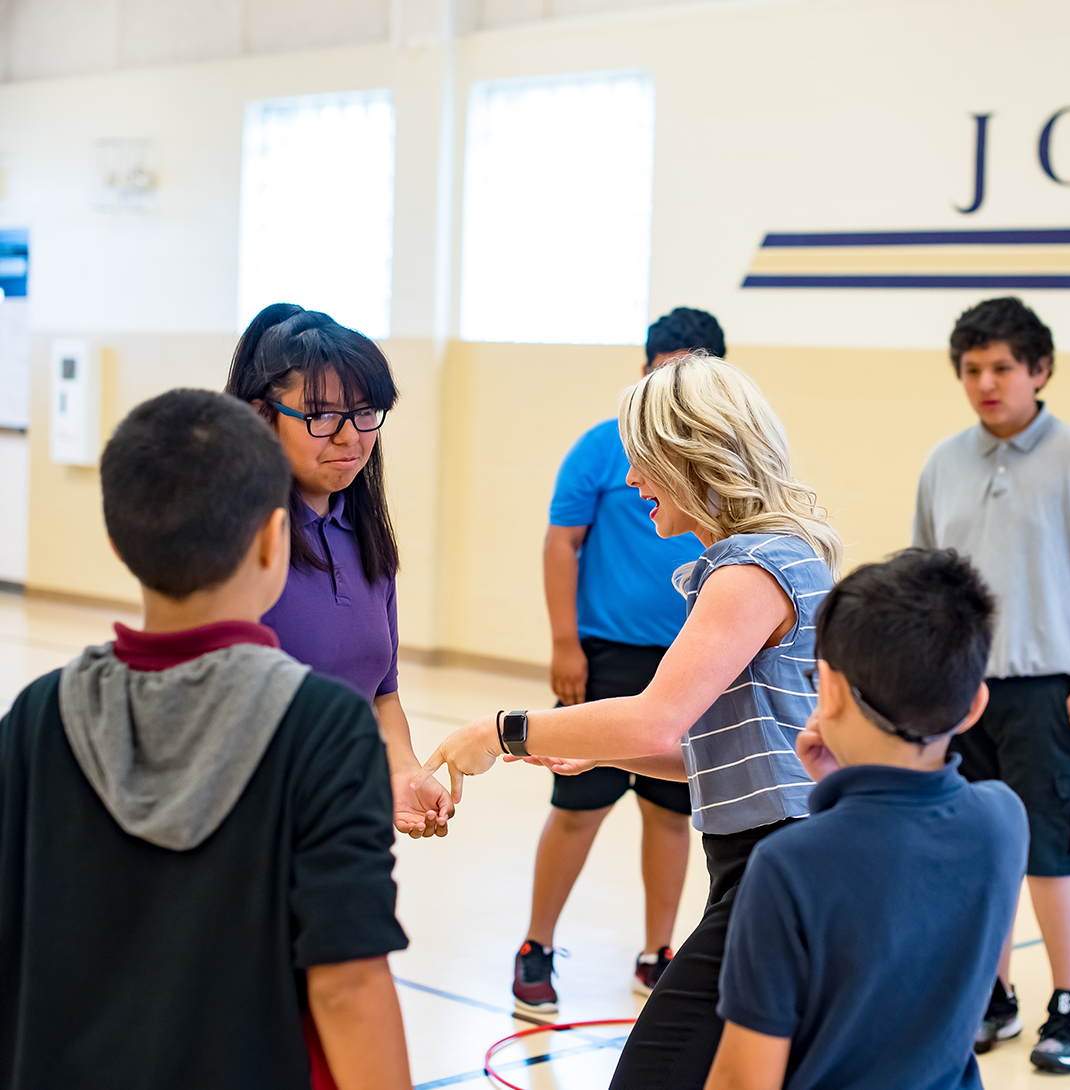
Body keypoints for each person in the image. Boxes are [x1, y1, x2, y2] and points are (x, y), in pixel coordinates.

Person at [415, 353, 841, 1090]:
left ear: (691, 458)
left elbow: (655, 722)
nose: (633, 479)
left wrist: (500, 730)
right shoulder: (775, 557)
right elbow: (704, 751)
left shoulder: (751, 571)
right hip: (778, 858)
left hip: (780, 862)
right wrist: (602, 751)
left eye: (643, 461)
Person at [0, 389, 411, 1090]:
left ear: (118, 541)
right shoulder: (322, 726)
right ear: (272, 536)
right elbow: (348, 985)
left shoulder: (38, 714)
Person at [912, 296, 1070, 1072]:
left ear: (1038, 370)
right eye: (972, 369)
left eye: (1003, 367)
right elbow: (927, 579)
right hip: (960, 691)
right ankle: (992, 993)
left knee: (1050, 854)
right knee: (977, 852)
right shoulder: (943, 462)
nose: (986, 382)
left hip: (1050, 694)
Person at [704, 549, 1029, 1090]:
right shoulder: (1003, 820)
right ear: (974, 706)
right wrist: (832, 790)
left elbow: (743, 1080)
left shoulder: (787, 866)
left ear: (826, 690)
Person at [516, 308, 723, 1013]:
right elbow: (559, 544)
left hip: (691, 661)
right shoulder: (602, 450)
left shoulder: (726, 461)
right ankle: (536, 945)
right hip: (607, 654)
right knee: (577, 806)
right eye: (657, 372)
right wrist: (564, 642)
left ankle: (655, 951)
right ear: (641, 374)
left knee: (670, 812)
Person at [226, 304, 450, 839]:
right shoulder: (238, 543)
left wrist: (405, 773)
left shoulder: (368, 539)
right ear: (262, 416)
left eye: (365, 412)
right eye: (322, 416)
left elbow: (382, 694)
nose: (351, 438)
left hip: (342, 818)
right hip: (256, 827)